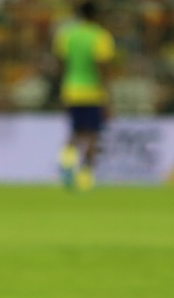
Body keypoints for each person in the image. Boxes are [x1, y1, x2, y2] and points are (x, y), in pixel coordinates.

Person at [54, 1, 115, 192]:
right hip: (92, 92)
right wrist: (107, 94)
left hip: (71, 89)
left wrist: (62, 88)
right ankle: (85, 178)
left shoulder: (67, 35)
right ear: (96, 15)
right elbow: (101, 66)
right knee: (91, 135)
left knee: (74, 132)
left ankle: (65, 163)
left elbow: (61, 63)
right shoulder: (100, 36)